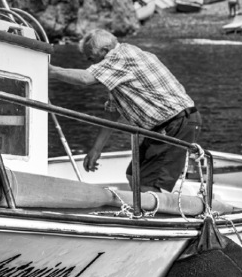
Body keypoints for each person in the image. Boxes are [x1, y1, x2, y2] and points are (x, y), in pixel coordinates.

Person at [49, 29, 201, 194]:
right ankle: (143, 213)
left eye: (91, 58)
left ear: (104, 52)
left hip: (176, 122)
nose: (89, 63)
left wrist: (50, 71)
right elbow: (112, 114)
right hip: (168, 123)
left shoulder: (120, 56)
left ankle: (151, 217)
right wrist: (96, 149)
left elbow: (85, 78)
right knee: (133, 175)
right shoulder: (118, 70)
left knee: (147, 184)